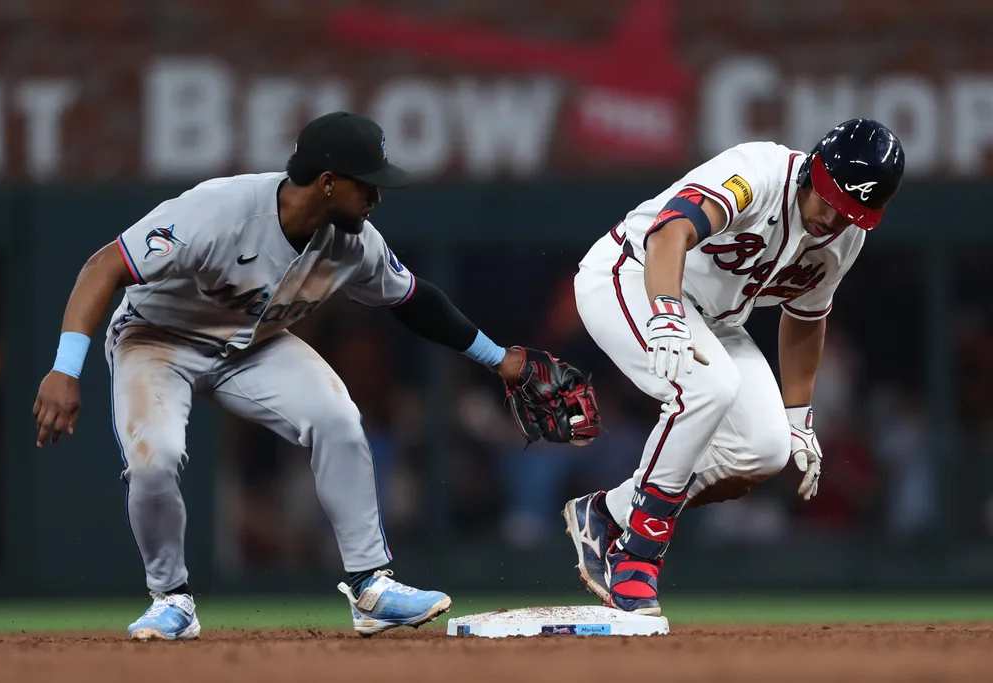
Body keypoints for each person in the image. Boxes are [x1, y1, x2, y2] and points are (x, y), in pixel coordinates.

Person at [31, 111, 596, 640]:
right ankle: (170, 599)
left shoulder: (353, 242)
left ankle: (371, 587)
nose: (377, 196)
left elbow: (415, 299)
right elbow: (102, 266)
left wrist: (500, 359)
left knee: (339, 420)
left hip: (254, 345)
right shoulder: (219, 212)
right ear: (328, 182)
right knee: (155, 460)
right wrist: (64, 369)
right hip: (157, 340)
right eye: (366, 183)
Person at [562, 118, 905, 614]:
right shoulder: (757, 174)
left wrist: (799, 416)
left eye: (851, 212)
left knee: (764, 450)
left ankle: (608, 513)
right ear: (815, 172)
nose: (834, 219)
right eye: (831, 201)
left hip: (712, 317)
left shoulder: (844, 239)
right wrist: (664, 313)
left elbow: (806, 317)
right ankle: (637, 556)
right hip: (633, 274)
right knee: (710, 387)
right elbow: (669, 231)